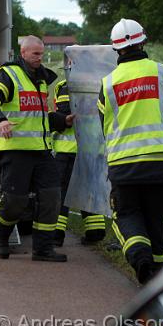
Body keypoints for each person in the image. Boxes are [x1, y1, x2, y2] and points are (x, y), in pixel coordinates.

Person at [98, 18, 163, 284]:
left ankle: (140, 259)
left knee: (127, 214)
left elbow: (104, 121)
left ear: (116, 49)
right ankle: (160, 274)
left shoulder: (108, 83)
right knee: (158, 216)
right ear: (143, 41)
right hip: (160, 160)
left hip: (124, 163)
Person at [0, 35, 72, 262]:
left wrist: (63, 121)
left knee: (52, 197)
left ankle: (42, 249)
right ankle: (2, 235)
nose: (40, 58)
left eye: (41, 54)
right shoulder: (8, 74)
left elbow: (38, 118)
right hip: (14, 150)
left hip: (41, 150)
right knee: (16, 202)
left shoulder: (42, 80)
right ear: (22, 53)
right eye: (35, 54)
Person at [51, 77, 106, 247]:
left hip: (67, 151)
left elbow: (66, 113)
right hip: (93, 150)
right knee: (90, 192)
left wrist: (53, 119)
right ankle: (95, 233)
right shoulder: (100, 83)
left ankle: (56, 235)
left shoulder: (66, 86)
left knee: (61, 193)